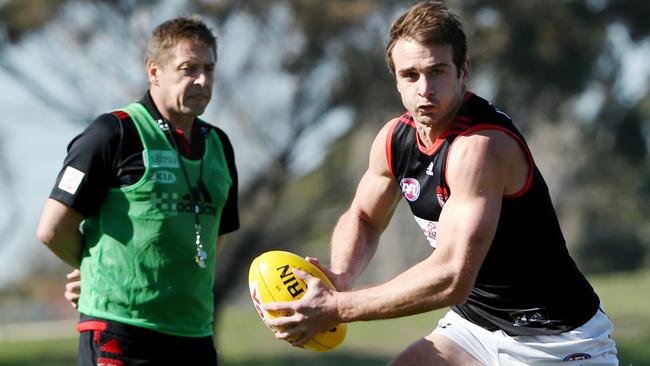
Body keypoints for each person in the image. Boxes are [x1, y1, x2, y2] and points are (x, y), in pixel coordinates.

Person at [262, 2, 618, 365]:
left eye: (437, 71)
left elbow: (452, 277)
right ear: (396, 79)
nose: (425, 89)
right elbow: (365, 217)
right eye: (410, 75)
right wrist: (341, 275)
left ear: (463, 71)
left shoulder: (481, 148)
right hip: (475, 326)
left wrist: (339, 307)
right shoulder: (394, 140)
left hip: (557, 338)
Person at [37, 15, 238, 366]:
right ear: (154, 72)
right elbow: (53, 229)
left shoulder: (219, 145)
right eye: (189, 68)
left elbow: (213, 237)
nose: (202, 80)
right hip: (121, 333)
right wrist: (93, 270)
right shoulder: (113, 133)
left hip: (194, 336)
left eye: (209, 68)